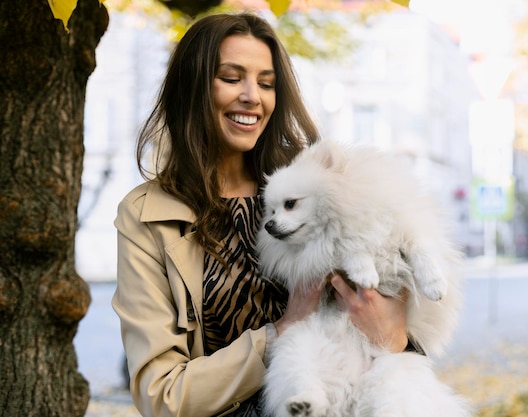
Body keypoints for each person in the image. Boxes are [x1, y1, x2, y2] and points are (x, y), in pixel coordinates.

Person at [112, 12, 412, 417]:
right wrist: (279, 334)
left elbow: (397, 289)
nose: (253, 96)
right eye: (232, 78)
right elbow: (161, 395)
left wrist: (396, 337)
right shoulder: (146, 216)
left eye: (266, 83)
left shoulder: (313, 186)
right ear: (193, 88)